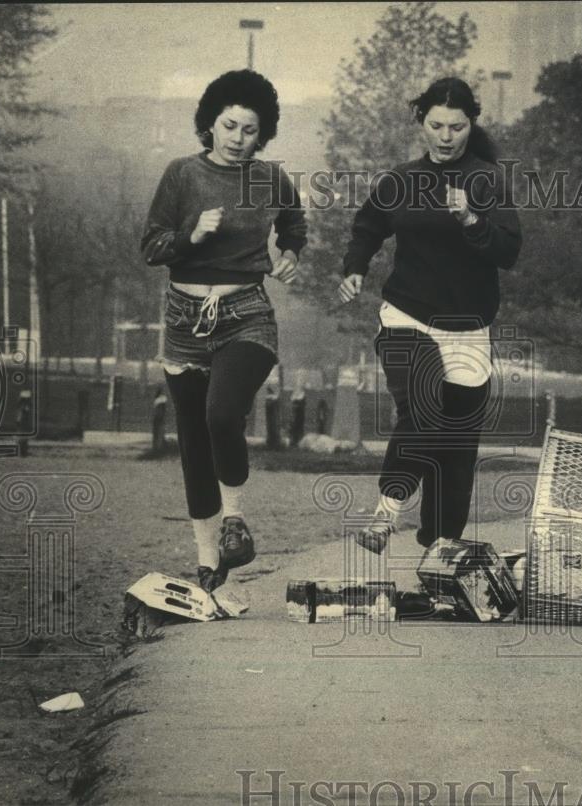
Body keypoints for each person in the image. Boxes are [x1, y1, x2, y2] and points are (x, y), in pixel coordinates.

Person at [338, 77, 522, 554]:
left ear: (471, 124)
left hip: (467, 328)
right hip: (407, 316)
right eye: (436, 125)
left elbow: (508, 251)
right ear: (421, 122)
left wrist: (470, 220)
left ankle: (440, 551)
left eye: (456, 127)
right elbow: (367, 226)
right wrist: (354, 269)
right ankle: (385, 515)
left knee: (456, 449)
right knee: (422, 406)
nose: (445, 136)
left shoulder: (489, 180)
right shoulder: (400, 179)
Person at [141, 70, 306, 592]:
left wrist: (290, 255)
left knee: (221, 413)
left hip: (247, 314)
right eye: (229, 126)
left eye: (250, 130)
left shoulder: (272, 179)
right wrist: (190, 236)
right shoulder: (181, 174)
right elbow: (151, 248)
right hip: (184, 320)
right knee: (192, 440)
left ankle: (235, 519)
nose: (238, 138)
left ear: (264, 134)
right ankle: (209, 560)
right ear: (209, 124)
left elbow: (294, 223)